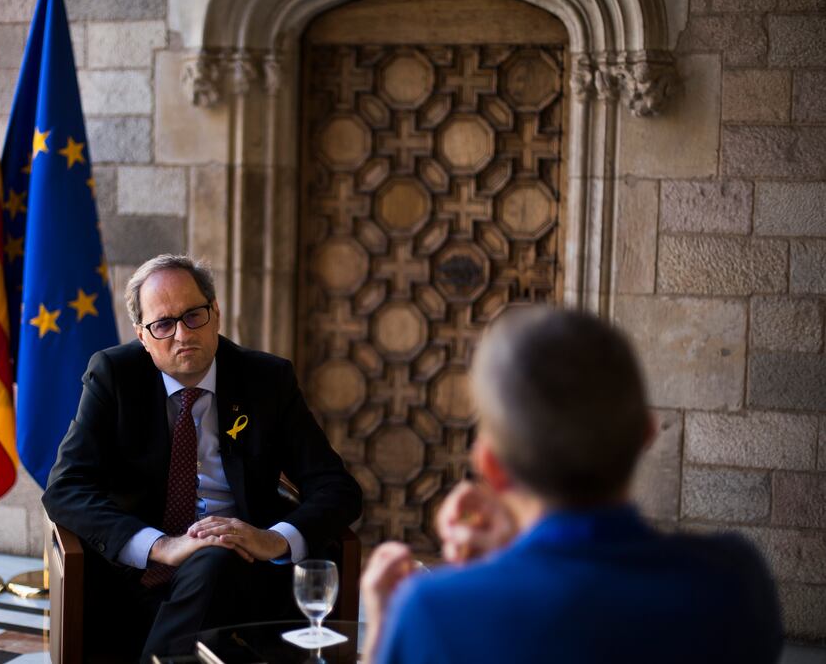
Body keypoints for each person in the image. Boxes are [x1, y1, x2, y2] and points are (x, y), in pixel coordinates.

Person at [362, 307, 782, 664]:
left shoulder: (432, 612)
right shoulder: (735, 582)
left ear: (490, 465)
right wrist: (517, 551)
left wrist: (382, 628)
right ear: (646, 435)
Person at [42, 254, 362, 661]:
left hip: (245, 569)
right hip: (142, 573)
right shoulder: (113, 376)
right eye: (163, 324)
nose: (181, 334)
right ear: (142, 335)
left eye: (194, 315)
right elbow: (65, 489)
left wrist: (274, 539)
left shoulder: (266, 379)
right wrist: (162, 546)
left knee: (215, 558)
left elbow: (338, 488)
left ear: (216, 315)